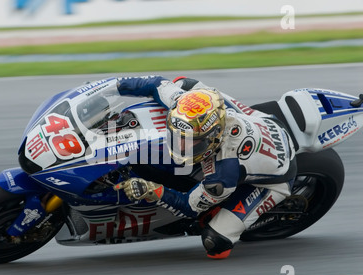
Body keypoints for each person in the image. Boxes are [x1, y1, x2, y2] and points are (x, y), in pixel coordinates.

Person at [114, 75, 297, 259]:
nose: (181, 147)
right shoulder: (182, 106)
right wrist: (114, 86)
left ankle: (225, 212)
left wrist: (152, 190)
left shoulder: (223, 174)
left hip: (277, 178)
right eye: (178, 138)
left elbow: (189, 207)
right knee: (184, 84)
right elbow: (155, 83)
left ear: (214, 137)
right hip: (264, 120)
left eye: (192, 142)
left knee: (216, 244)